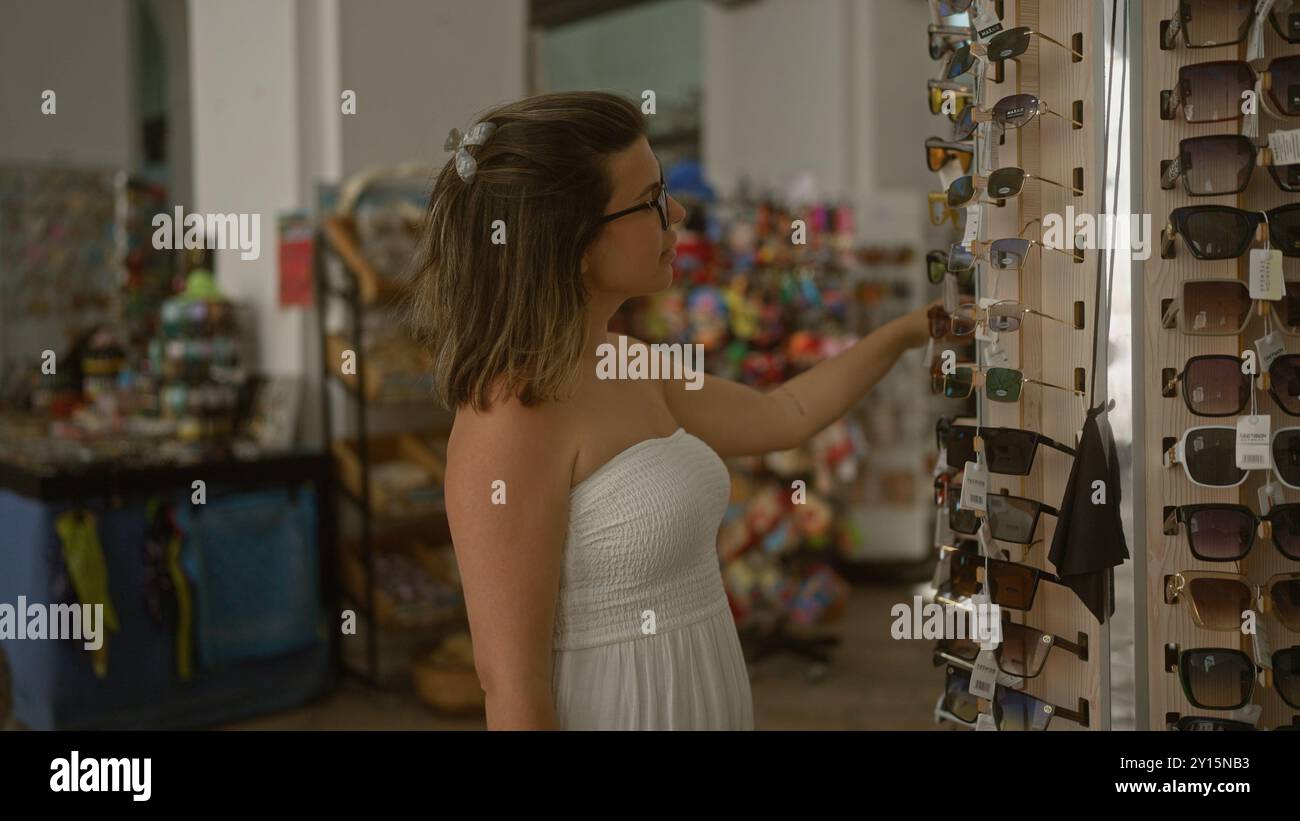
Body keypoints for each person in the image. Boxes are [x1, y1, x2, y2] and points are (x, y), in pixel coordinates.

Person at [406, 91, 932, 730]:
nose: (678, 212)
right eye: (652, 200)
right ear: (572, 241)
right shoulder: (510, 418)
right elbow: (511, 687)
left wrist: (909, 331)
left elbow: (784, 413)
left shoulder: (625, 360)